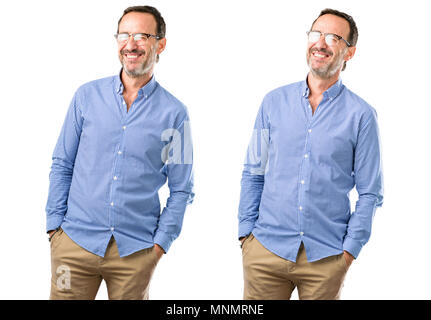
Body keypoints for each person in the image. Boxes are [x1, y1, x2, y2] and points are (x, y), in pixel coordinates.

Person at [45, 5, 194, 300]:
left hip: (134, 254)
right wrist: (54, 229)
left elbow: (181, 188)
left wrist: (159, 246)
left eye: (141, 35)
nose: (131, 44)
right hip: (72, 246)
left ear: (160, 44)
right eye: (124, 35)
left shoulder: (174, 113)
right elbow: (63, 163)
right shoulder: (86, 96)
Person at [238, 8, 383, 300]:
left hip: (326, 258)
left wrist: (348, 252)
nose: (321, 43)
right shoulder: (272, 102)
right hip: (265, 250)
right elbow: (253, 171)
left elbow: (370, 192)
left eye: (333, 37)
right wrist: (246, 235)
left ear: (349, 52)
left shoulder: (362, 116)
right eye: (316, 34)